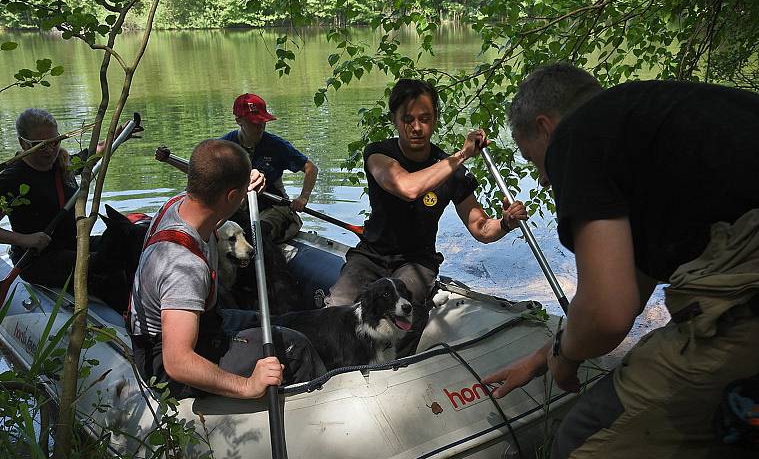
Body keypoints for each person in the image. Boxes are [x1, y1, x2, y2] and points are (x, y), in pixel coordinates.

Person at [483, 63, 759, 459]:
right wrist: (542, 357)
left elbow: (608, 315)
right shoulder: (658, 124)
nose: (546, 180)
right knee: (710, 458)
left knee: (586, 437)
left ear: (546, 127)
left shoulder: (579, 136)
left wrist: (567, 360)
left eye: (535, 162)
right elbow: (629, 293)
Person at [326, 78, 529, 355]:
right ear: (395, 120)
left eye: (425, 118)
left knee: (408, 317)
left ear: (435, 120)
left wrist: (505, 222)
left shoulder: (452, 172)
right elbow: (407, 187)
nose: (417, 127)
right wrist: (461, 156)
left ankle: (396, 366)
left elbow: (481, 229)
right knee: (338, 305)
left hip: (416, 263)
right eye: (407, 119)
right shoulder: (378, 153)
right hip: (371, 255)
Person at [128, 139, 326, 400]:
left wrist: (244, 182)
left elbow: (218, 203)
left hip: (204, 324)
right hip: (164, 363)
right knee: (294, 349)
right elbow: (177, 362)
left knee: (274, 322)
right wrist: (248, 386)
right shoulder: (183, 266)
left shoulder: (178, 205)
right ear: (232, 196)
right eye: (241, 191)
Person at [0, 108, 128, 300]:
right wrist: (24, 240)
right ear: (23, 143)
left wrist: (116, 139)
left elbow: (92, 155)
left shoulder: (63, 164)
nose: (51, 150)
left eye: (55, 142)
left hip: (74, 244)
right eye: (41, 145)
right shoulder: (11, 178)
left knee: (128, 241)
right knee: (107, 264)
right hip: (37, 259)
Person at [156, 93, 319, 244]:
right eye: (255, 122)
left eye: (263, 121)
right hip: (238, 208)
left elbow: (310, 168)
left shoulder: (277, 146)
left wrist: (303, 198)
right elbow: (203, 173)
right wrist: (169, 159)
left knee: (258, 234)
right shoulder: (225, 146)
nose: (260, 126)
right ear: (239, 121)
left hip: (274, 208)